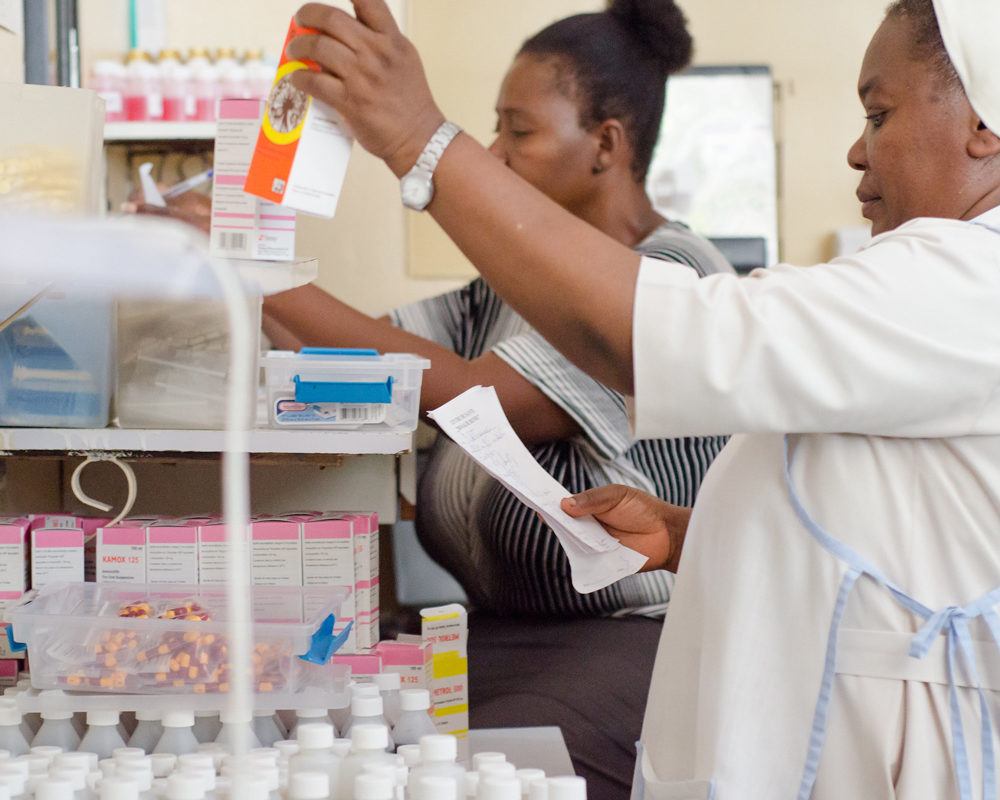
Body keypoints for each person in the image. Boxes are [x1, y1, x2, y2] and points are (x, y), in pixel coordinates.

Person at [283, 0, 1000, 797]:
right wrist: (693, 531)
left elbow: (646, 335)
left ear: (985, 126)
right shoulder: (930, 288)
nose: (856, 152)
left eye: (879, 113)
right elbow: (900, 522)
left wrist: (419, 141)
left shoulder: (973, 280)